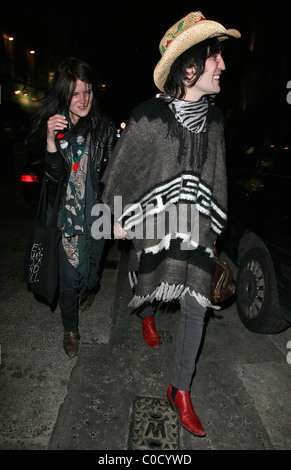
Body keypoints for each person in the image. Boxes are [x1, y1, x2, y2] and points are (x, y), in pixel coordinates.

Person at [102, 11, 240, 437]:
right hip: (154, 225)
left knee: (196, 303)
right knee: (150, 285)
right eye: (214, 56)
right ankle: (146, 312)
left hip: (195, 228)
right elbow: (123, 170)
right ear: (189, 66)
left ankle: (180, 389)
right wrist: (114, 215)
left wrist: (213, 226)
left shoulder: (215, 122)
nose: (222, 65)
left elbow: (216, 177)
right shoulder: (148, 115)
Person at [28, 58, 115, 357]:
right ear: (65, 94)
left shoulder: (103, 128)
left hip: (98, 212)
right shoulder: (57, 126)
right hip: (67, 216)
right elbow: (52, 175)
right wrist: (51, 140)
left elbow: (113, 175)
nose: (83, 100)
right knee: (68, 278)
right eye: (76, 93)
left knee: (90, 273)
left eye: (87, 91)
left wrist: (118, 212)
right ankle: (70, 328)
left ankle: (91, 287)